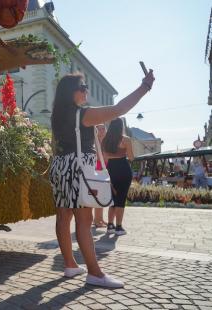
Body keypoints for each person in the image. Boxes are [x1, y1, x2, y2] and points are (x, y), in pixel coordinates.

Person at [50, 69, 155, 288]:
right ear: (72, 92)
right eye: (83, 87)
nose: (86, 91)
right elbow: (119, 109)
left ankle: (70, 264)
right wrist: (144, 87)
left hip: (61, 166)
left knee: (63, 216)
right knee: (84, 220)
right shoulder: (82, 114)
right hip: (78, 169)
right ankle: (95, 273)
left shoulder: (58, 116)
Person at [102, 118, 134, 236]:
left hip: (110, 170)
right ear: (122, 127)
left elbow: (105, 157)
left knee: (113, 199)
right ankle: (119, 227)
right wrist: (122, 153)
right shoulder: (125, 140)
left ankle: (110, 225)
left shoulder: (105, 140)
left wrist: (112, 155)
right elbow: (131, 157)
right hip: (123, 170)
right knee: (121, 199)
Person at [93, 124, 108, 228]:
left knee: (102, 195)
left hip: (104, 169)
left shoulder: (106, 142)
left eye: (104, 128)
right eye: (100, 129)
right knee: (97, 195)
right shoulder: (94, 143)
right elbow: (99, 157)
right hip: (97, 169)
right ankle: (96, 220)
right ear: (96, 131)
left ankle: (100, 218)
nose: (102, 131)